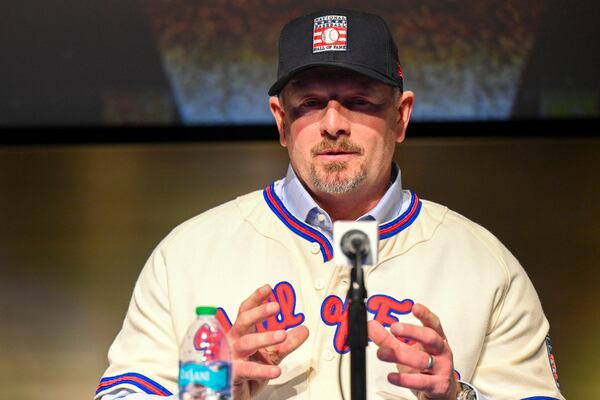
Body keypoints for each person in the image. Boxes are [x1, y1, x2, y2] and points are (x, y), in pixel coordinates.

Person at [95, 8, 564, 400]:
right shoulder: (187, 254)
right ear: (281, 121)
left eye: (359, 101)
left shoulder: (485, 264)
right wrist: (207, 389)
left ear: (401, 117)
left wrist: (458, 396)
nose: (333, 123)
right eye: (311, 103)